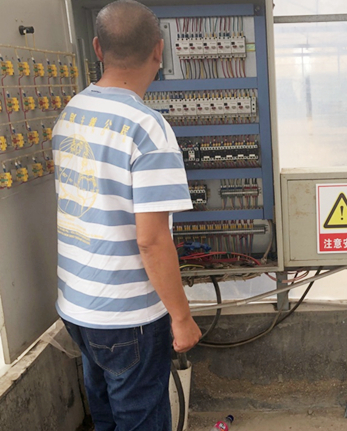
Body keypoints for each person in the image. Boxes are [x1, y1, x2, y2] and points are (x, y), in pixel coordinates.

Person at [53, 1, 201, 429]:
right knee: (139, 420)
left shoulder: (71, 112)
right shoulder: (147, 129)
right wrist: (182, 318)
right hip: (127, 318)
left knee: (107, 417)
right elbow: (151, 240)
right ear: (159, 50)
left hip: (78, 305)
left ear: (97, 48)